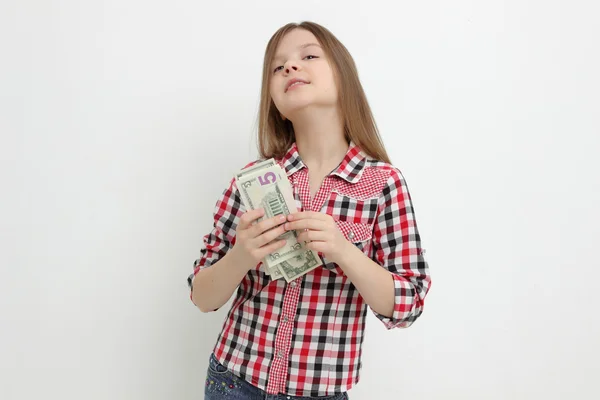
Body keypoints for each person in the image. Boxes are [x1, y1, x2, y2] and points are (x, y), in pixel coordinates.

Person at [187, 21, 431, 400]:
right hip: (232, 383)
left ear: (343, 77)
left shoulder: (383, 184)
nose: (290, 67)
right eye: (277, 66)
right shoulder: (251, 181)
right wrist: (241, 255)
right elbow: (202, 296)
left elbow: (408, 305)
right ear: (274, 101)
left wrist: (343, 250)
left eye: (309, 55)